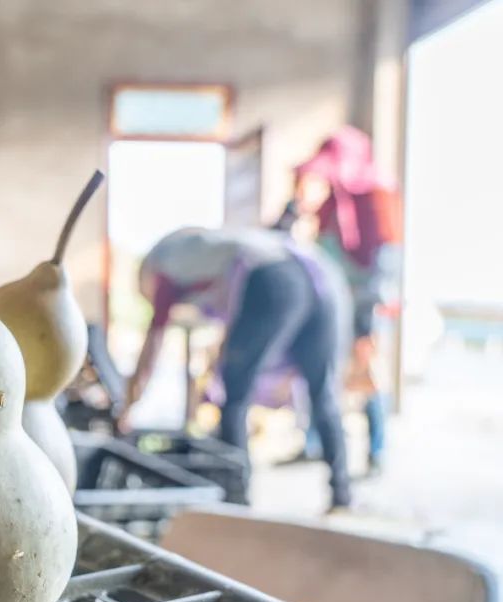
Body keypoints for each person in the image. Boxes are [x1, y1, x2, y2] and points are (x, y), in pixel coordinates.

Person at [116, 226, 352, 511]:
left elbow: (153, 342)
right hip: (317, 280)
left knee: (235, 397)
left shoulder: (162, 270)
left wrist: (128, 405)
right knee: (322, 392)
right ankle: (342, 496)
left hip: (276, 279)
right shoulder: (212, 251)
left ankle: (237, 498)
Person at [294, 126, 402, 474]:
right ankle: (314, 443)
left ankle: (377, 450)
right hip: (334, 301)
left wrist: (369, 305)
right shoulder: (331, 203)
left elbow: (389, 255)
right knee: (321, 371)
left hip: (367, 303)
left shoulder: (378, 194)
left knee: (368, 376)